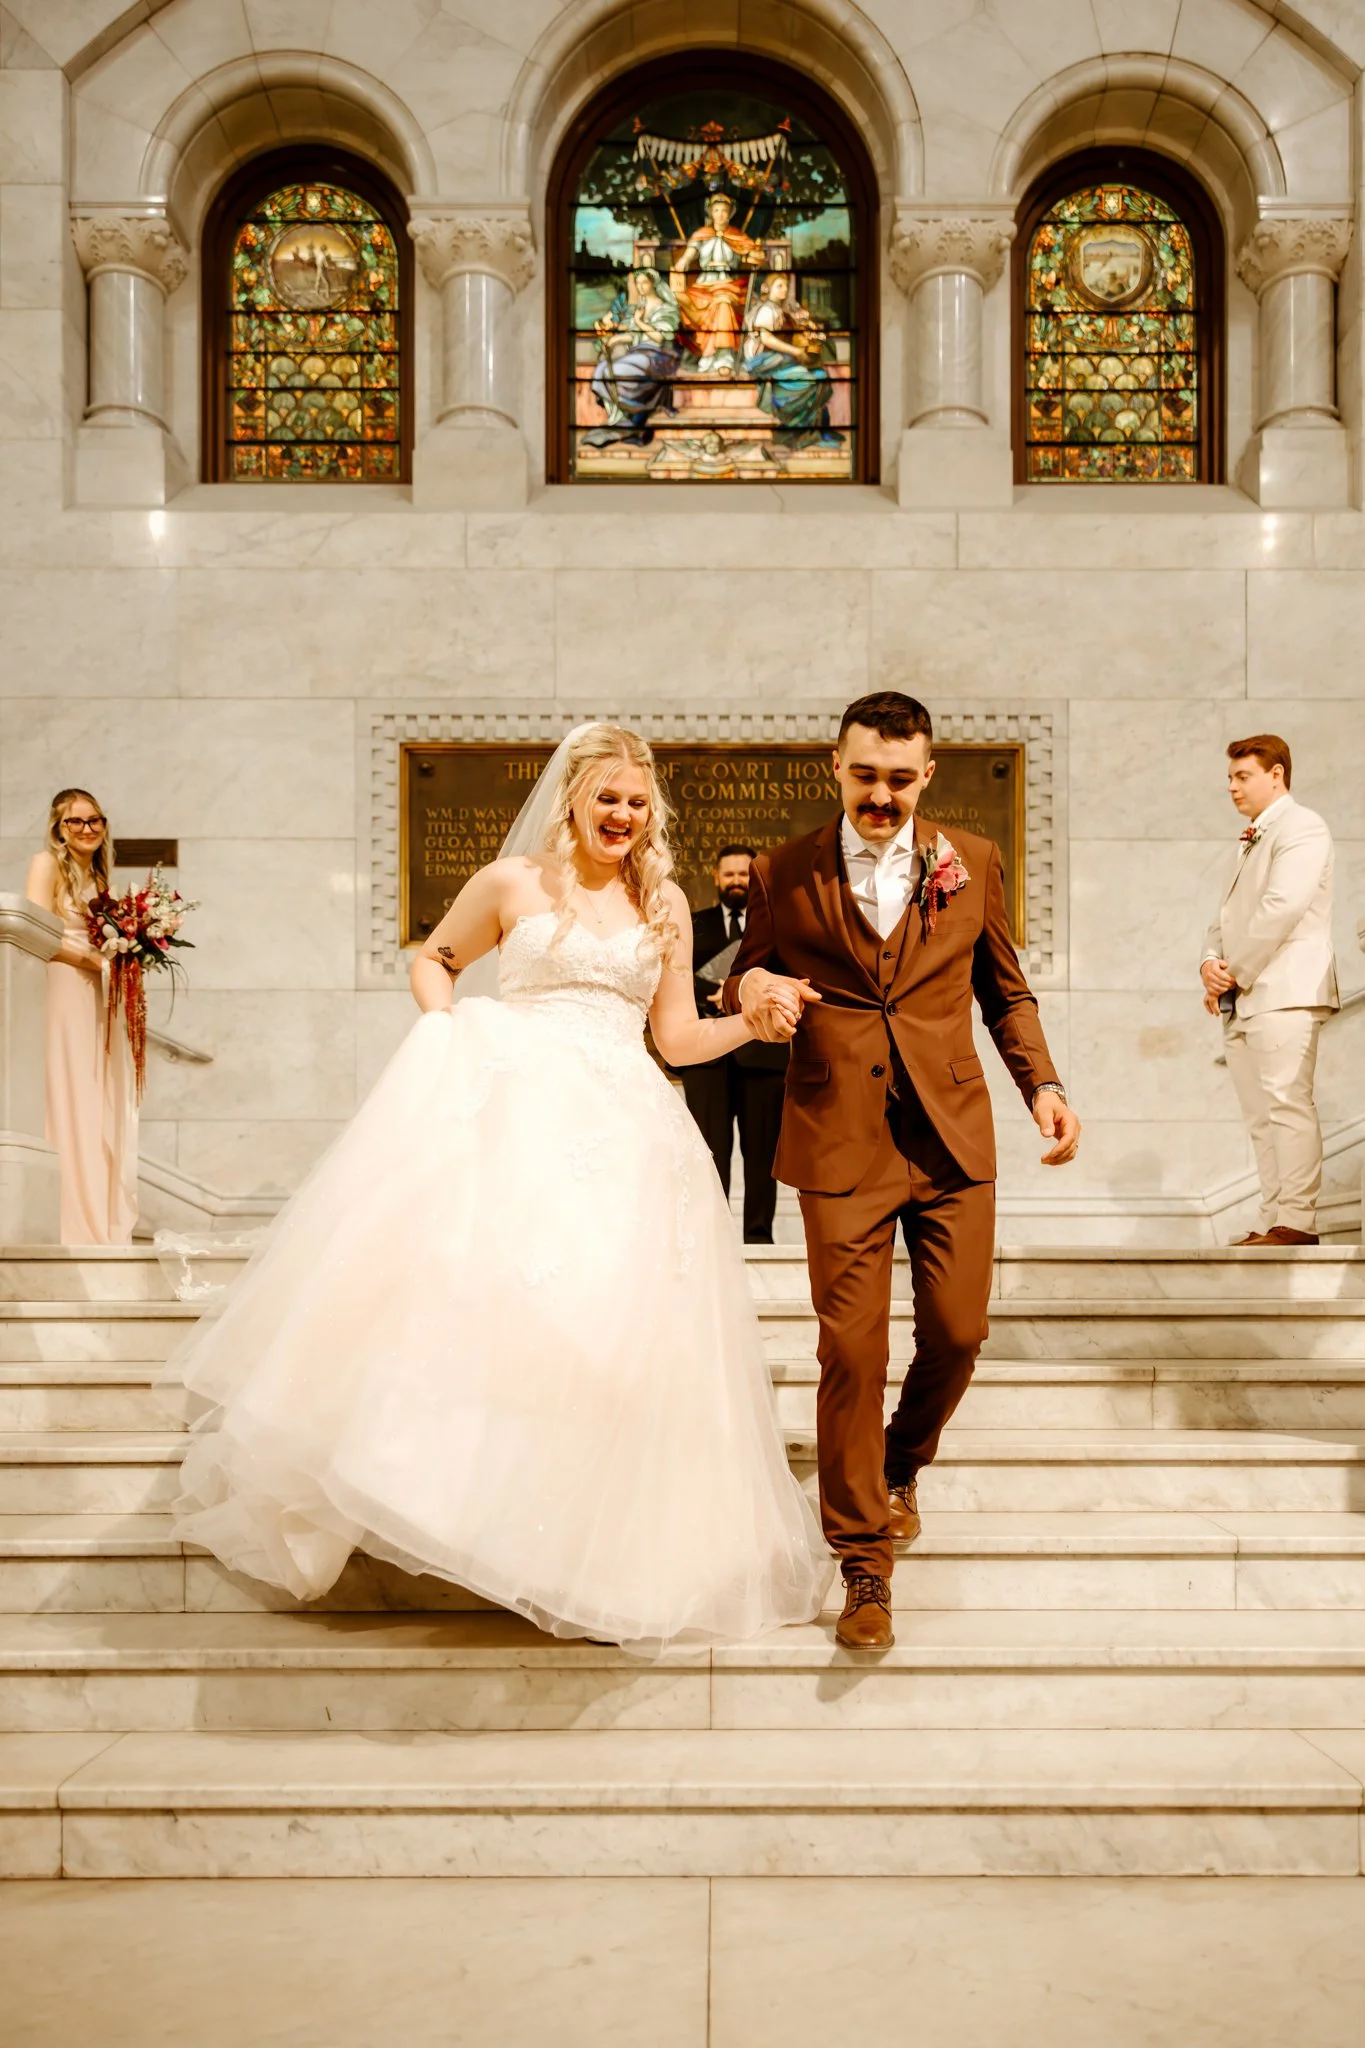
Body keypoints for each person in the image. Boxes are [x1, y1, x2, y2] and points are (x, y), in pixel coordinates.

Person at [168, 725, 830, 1653]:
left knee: (609, 1333)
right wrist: (444, 1036)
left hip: (630, 1130)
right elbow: (433, 960)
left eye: (637, 802)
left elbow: (676, 1038)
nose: (623, 816)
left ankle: (581, 1553)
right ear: (571, 798)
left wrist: (752, 1027)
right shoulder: (512, 881)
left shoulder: (667, 901)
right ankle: (463, 1507)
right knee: (497, 1303)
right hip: (516, 1102)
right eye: (607, 798)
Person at [724, 691, 1080, 1651]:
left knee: (959, 1333)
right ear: (832, 769)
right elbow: (740, 974)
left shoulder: (974, 862)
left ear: (926, 775)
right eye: (863, 776)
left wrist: (1040, 1084)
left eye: (897, 778)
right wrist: (753, 987)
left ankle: (897, 1464)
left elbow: (1003, 990)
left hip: (951, 1132)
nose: (879, 795)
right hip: (836, 1132)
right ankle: (863, 1566)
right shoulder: (782, 869)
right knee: (851, 1350)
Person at [1200, 734, 1338, 1247]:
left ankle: (1297, 1221)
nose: (1232, 787)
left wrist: (1234, 969)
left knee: (1287, 1104)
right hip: (1244, 995)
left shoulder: (1303, 827)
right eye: (1230, 778)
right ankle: (1271, 1216)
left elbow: (1283, 905)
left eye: (1243, 776)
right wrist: (1209, 963)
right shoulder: (1248, 838)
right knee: (1260, 1116)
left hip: (1286, 989)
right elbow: (1224, 917)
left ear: (1276, 774)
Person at [24, 789, 137, 1246]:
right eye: (76, 822)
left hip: (96, 999)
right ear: (59, 828)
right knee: (69, 1096)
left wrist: (126, 955)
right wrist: (98, 961)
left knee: (94, 1102)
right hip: (63, 993)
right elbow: (33, 932)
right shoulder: (46, 864)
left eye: (95, 821)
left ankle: (95, 1212)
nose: (87, 829)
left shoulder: (100, 876)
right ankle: (68, 1219)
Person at [680, 844, 787, 1243]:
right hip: (706, 1058)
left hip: (763, 1057)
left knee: (762, 1157)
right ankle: (715, 1240)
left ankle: (759, 1236)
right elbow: (669, 977)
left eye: (745, 875)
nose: (737, 881)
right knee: (709, 1155)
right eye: (730, 875)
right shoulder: (694, 925)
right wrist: (719, 990)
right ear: (716, 879)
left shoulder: (779, 925)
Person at [742, 274, 840, 451]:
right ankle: (791, 432)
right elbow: (766, 339)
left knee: (821, 377)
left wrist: (809, 327)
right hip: (766, 360)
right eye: (779, 286)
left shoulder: (784, 309)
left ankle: (809, 431)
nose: (784, 289)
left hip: (784, 359)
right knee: (813, 380)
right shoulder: (766, 310)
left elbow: (798, 329)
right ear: (767, 288)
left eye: (786, 286)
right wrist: (795, 351)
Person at [584, 268, 681, 448]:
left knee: (620, 370)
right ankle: (619, 417)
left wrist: (640, 322)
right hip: (638, 353)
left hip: (658, 356)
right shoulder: (639, 308)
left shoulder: (667, 309)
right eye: (638, 283)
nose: (641, 287)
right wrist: (614, 340)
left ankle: (630, 414)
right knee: (602, 369)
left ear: (654, 284)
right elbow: (633, 336)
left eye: (645, 282)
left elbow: (660, 337)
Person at [671, 192, 764, 374]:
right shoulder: (701, 235)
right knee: (685, 302)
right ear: (710, 213)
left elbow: (754, 255)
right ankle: (706, 355)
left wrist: (754, 255)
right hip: (703, 285)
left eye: (724, 211)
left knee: (723, 303)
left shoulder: (737, 236)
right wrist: (683, 261)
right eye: (717, 210)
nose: (721, 214)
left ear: (730, 214)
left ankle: (723, 357)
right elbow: (689, 254)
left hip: (730, 285)